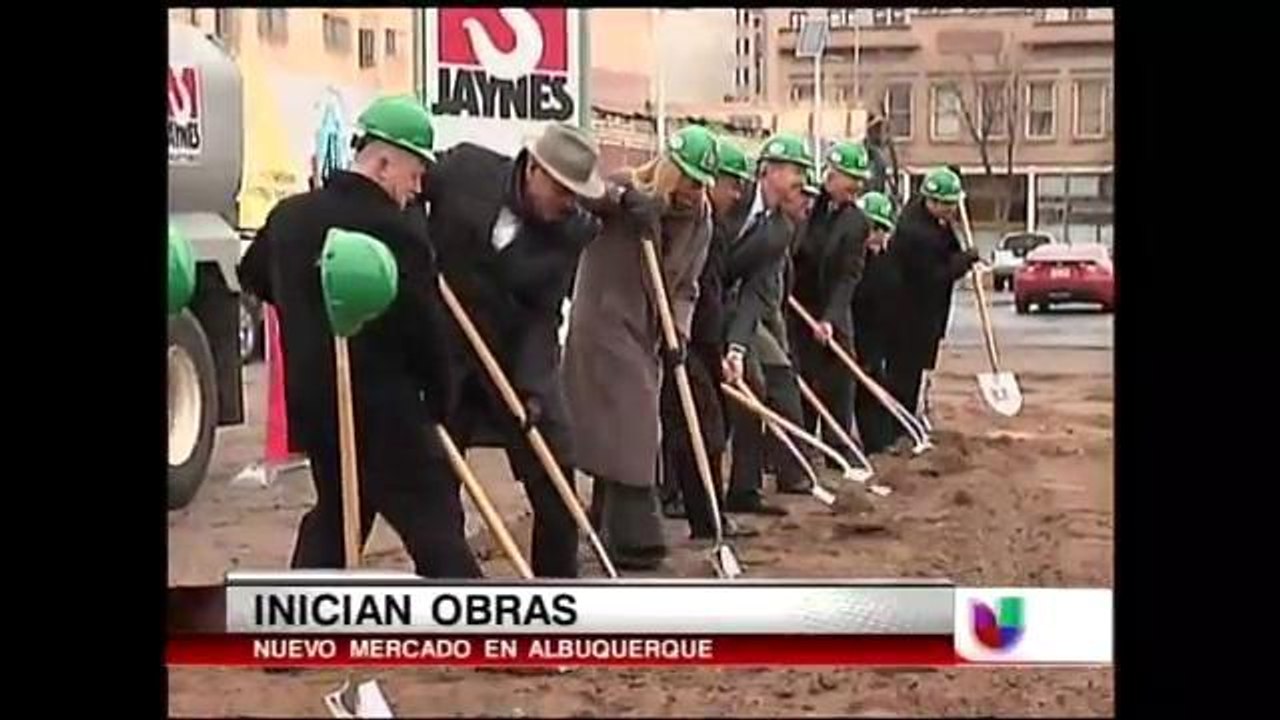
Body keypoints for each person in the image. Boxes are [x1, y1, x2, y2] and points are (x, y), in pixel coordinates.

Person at [236, 95, 482, 578]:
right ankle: (493, 638)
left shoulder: (290, 216)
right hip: (387, 412)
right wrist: (440, 400)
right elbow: (424, 329)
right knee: (434, 521)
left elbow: (253, 274)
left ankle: (289, 638)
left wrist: (303, 309)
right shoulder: (396, 231)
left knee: (339, 515)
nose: (417, 187)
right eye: (414, 172)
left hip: (316, 403)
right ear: (383, 160)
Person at [423, 123, 605, 578]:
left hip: (509, 357)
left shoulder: (574, 230)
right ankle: (452, 585)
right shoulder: (465, 170)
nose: (571, 203)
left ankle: (556, 594)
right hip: (443, 352)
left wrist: (533, 390)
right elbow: (407, 193)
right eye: (564, 191)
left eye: (578, 195)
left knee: (557, 478)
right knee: (433, 482)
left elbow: (544, 315)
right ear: (535, 170)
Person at [563, 124, 720, 570]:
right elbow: (583, 192)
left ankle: (608, 519)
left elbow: (687, 285)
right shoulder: (628, 190)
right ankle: (637, 535)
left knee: (627, 425)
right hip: (605, 321)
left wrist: (680, 334)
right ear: (670, 170)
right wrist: (622, 202)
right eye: (689, 179)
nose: (695, 190)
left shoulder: (701, 219)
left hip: (652, 332)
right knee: (632, 422)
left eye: (701, 182)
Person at [658, 134, 759, 541]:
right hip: (678, 338)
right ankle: (703, 517)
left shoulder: (710, 225)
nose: (735, 194)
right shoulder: (695, 223)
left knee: (699, 429)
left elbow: (707, 294)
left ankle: (705, 514)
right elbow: (701, 292)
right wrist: (706, 346)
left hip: (691, 338)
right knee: (698, 429)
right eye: (729, 184)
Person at [721, 133, 814, 516]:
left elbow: (754, 294)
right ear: (769, 171)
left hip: (727, 305)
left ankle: (744, 488)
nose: (801, 180)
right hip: (688, 297)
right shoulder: (731, 198)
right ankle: (674, 491)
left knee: (753, 385)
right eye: (795, 170)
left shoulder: (780, 230)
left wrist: (737, 348)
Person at [789, 141, 871, 467]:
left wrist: (830, 320)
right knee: (801, 379)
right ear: (831, 176)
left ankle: (838, 450)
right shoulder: (806, 209)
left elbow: (849, 275)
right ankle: (802, 451)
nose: (854, 191)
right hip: (797, 307)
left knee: (839, 382)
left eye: (858, 185)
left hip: (832, 311)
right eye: (849, 183)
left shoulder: (857, 222)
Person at [885, 167, 980, 444]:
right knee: (904, 374)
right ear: (932, 202)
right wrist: (964, 261)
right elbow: (934, 276)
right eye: (948, 205)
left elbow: (948, 250)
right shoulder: (916, 233)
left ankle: (911, 416)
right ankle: (899, 427)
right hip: (908, 316)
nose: (953, 211)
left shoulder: (934, 221)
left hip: (928, 314)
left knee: (919, 370)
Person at [850, 191, 903, 454]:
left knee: (877, 388)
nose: (875, 234)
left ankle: (880, 439)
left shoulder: (887, 262)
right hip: (857, 334)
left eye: (881, 228)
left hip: (880, 337)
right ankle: (872, 441)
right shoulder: (855, 260)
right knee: (861, 391)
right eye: (871, 227)